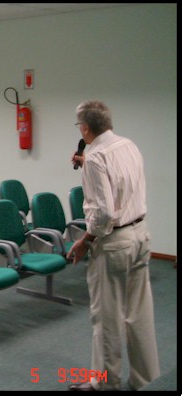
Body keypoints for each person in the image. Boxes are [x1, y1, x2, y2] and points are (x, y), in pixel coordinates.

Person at [66, 100, 159, 391]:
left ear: (84, 128)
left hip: (115, 244)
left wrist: (85, 240)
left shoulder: (95, 157)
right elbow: (122, 183)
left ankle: (104, 385)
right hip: (141, 235)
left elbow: (104, 213)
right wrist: (88, 165)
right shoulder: (128, 145)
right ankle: (147, 380)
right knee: (139, 314)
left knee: (106, 318)